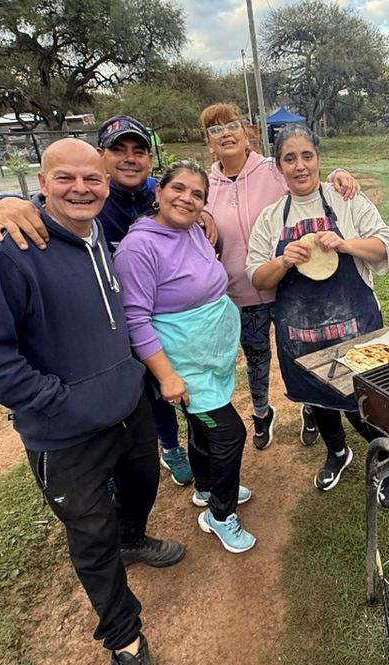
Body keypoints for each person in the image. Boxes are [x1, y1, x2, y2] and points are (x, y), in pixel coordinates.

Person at [0, 138, 182, 665]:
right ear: (41, 182)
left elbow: (164, 201)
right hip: (64, 436)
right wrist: (60, 402)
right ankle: (125, 644)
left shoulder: (98, 234)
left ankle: (134, 539)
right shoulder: (9, 254)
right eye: (65, 178)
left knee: (142, 488)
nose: (81, 188)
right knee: (91, 535)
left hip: (127, 410)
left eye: (91, 178)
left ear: (105, 182)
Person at [0, 115, 203, 488]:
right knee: (145, 393)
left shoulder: (153, 192)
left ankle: (183, 452)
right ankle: (169, 447)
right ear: (102, 157)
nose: (130, 158)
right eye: (118, 150)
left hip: (160, 319)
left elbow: (183, 197)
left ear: (149, 161)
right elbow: (46, 204)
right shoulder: (90, 202)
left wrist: (204, 213)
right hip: (111, 323)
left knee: (168, 386)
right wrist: (3, 203)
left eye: (139, 151)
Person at [246, 124, 389, 507]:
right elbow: (256, 277)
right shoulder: (271, 217)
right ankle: (337, 452)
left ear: (319, 158)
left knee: (366, 404)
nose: (299, 166)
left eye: (307, 156)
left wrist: (346, 244)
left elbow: (384, 244)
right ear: (279, 167)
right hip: (301, 337)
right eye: (289, 158)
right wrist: (283, 261)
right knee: (318, 399)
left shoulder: (346, 199)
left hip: (356, 329)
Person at [199, 102, 360, 452]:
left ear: (248, 133)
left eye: (232, 125)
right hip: (244, 290)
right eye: (215, 129)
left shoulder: (271, 170)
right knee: (256, 357)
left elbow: (309, 175)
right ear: (209, 142)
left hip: (294, 290)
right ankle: (261, 412)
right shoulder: (205, 187)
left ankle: (312, 408)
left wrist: (339, 173)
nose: (225, 134)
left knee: (304, 354)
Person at [114, 160, 257, 553]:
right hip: (184, 367)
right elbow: (135, 320)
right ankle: (220, 515)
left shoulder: (192, 229)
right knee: (229, 434)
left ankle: (207, 487)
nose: (187, 199)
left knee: (201, 425)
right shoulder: (137, 248)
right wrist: (167, 376)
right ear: (158, 192)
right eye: (178, 188)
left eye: (197, 194)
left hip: (207, 359)